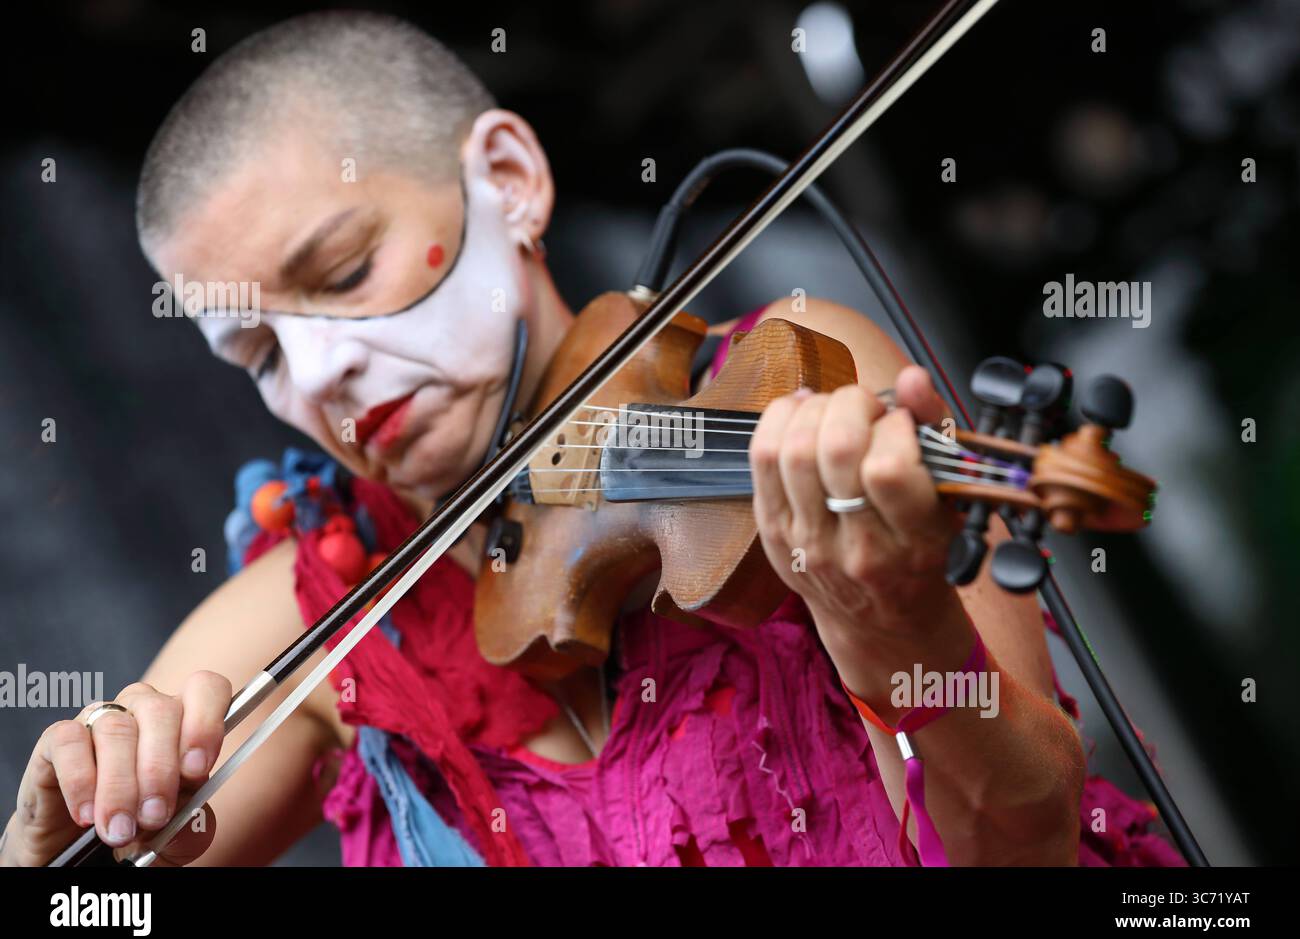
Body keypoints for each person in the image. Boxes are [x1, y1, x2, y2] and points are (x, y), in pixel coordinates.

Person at [1, 11, 1180, 868]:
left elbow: (1020, 841)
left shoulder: (793, 378)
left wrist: (901, 624)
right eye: (258, 354)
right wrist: (60, 846)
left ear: (506, 179)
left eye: (346, 273)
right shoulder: (327, 609)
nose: (322, 375)